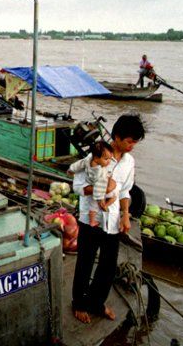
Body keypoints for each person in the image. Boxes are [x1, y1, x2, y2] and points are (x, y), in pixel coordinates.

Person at [71, 114, 145, 325]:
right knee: (85, 262)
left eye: (135, 142)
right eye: (130, 141)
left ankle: (97, 302)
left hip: (112, 222)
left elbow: (125, 191)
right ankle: (79, 304)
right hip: (90, 219)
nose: (132, 146)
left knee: (108, 265)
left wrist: (125, 216)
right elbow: (76, 186)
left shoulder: (129, 162)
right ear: (117, 137)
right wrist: (97, 189)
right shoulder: (95, 154)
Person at [68, 141, 117, 230]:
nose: (109, 162)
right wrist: (100, 198)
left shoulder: (88, 160)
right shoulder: (98, 171)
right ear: (96, 158)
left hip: (95, 186)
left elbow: (78, 164)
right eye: (106, 159)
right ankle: (92, 220)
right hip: (98, 189)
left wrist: (71, 170)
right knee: (95, 206)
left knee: (109, 198)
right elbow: (100, 186)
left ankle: (103, 207)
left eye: (110, 158)